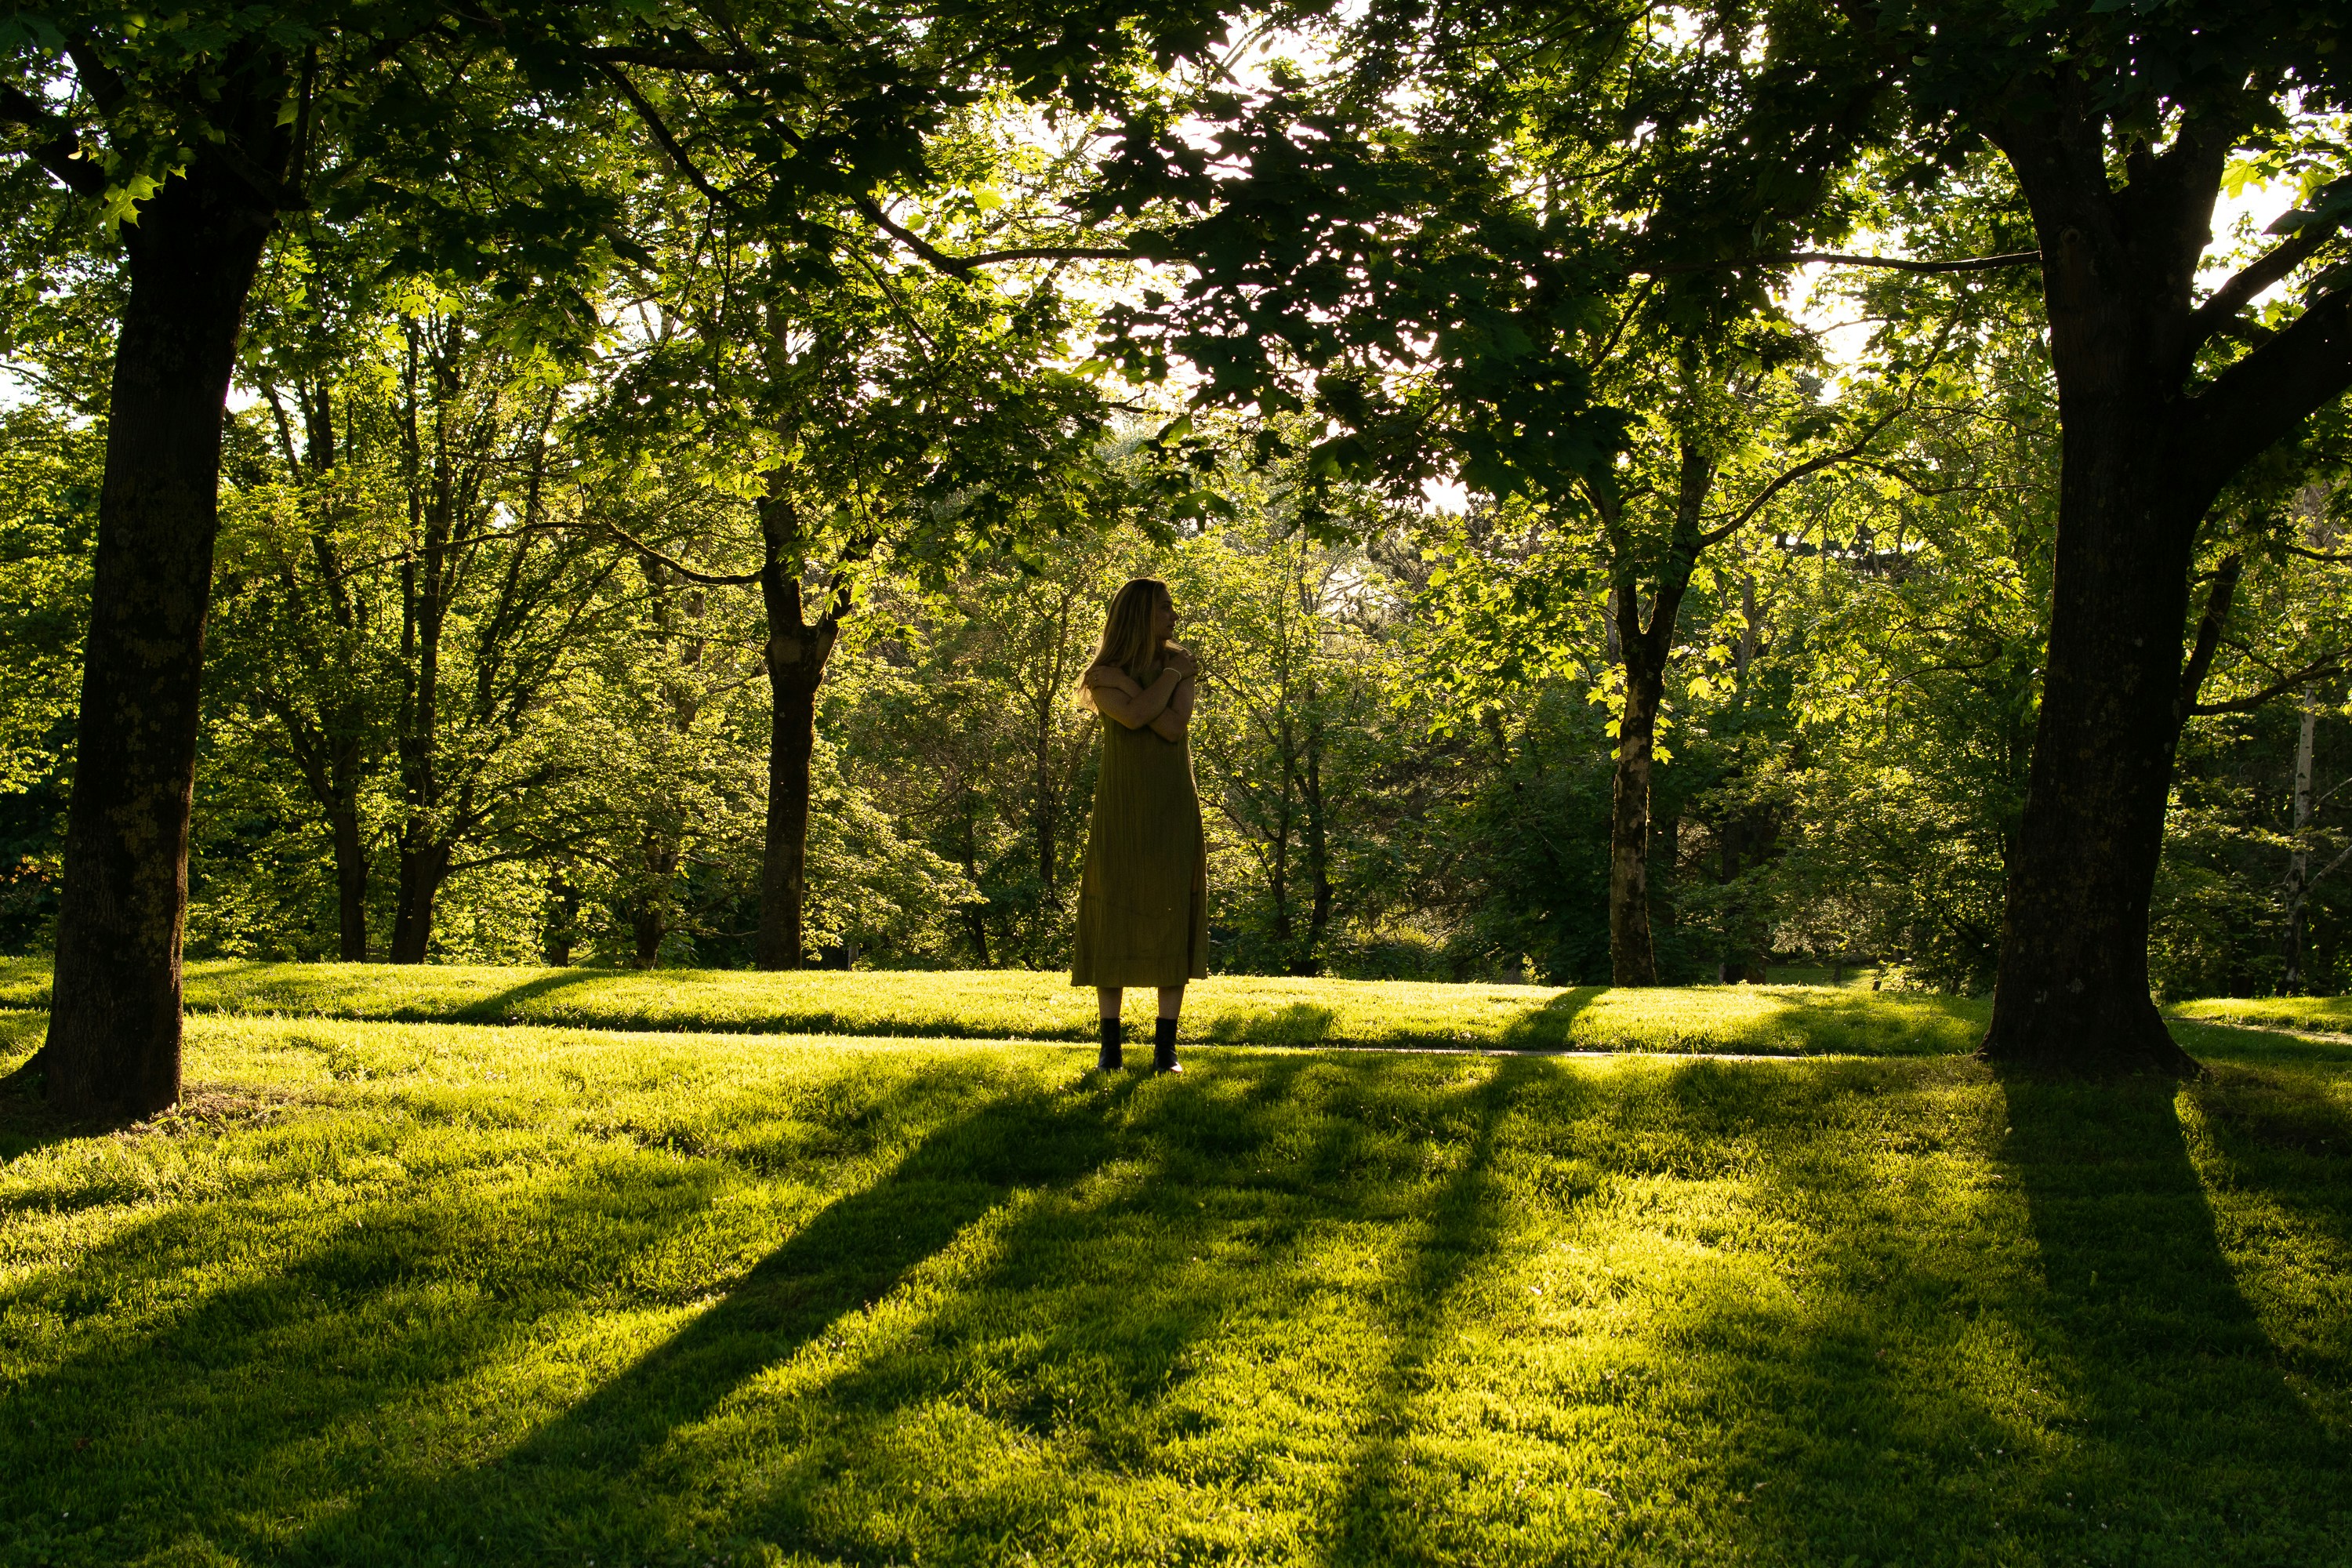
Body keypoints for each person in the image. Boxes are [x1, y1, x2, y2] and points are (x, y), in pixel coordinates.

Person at [1070, 576, 1207, 1073]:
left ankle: (1165, 1048)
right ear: (1139, 615)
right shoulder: (1107, 672)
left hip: (1172, 804)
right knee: (1115, 913)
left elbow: (1170, 727)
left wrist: (1145, 691)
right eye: (1163, 609)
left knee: (1172, 910)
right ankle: (1110, 1047)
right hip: (1121, 808)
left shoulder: (1174, 663)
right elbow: (1129, 718)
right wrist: (1166, 682)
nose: (1172, 616)